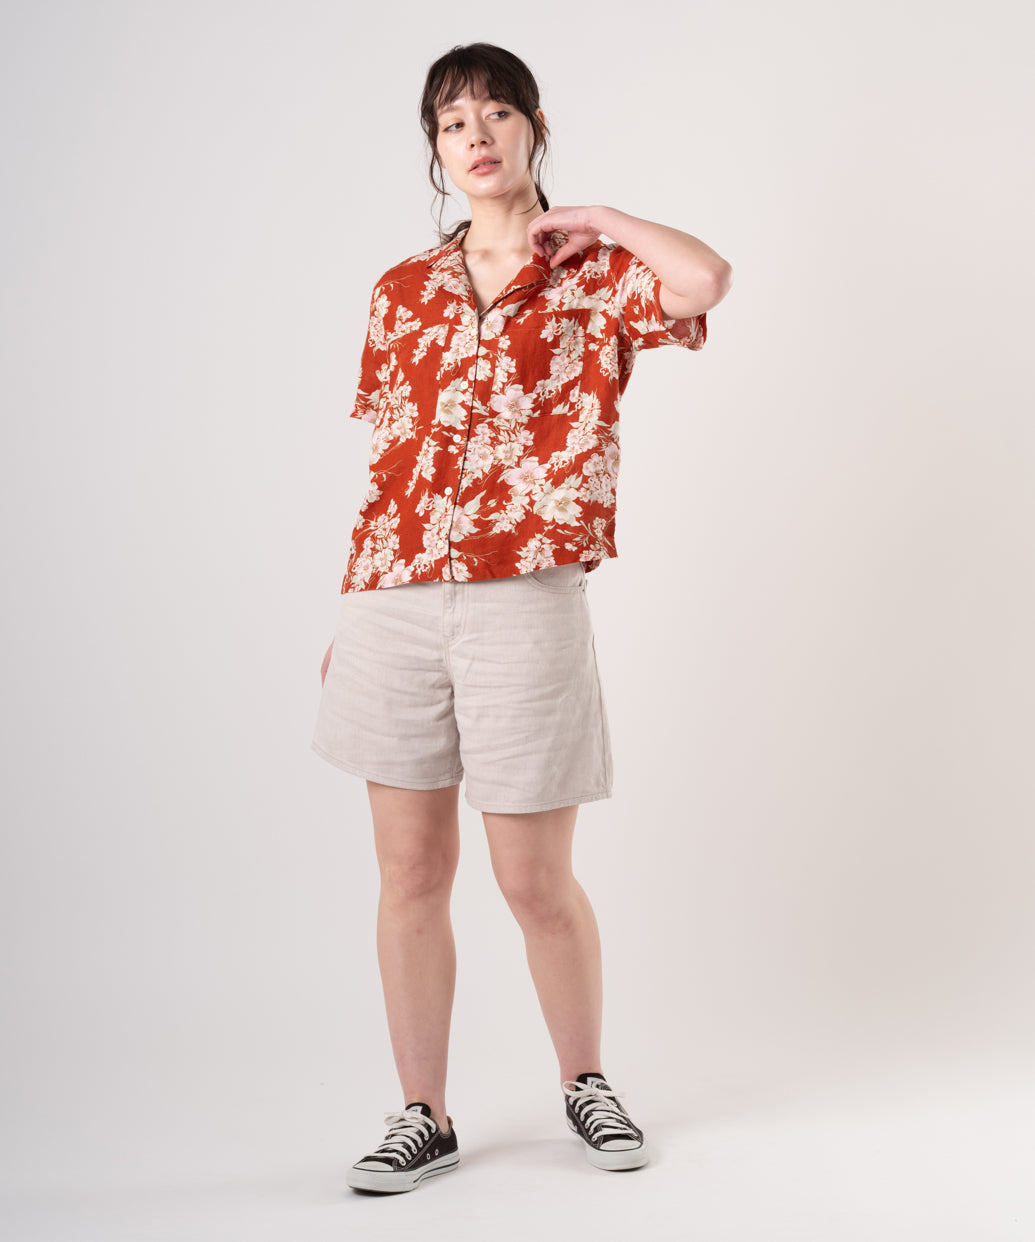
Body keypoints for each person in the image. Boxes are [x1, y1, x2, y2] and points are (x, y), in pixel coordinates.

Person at [312, 42, 733, 1194]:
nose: (477, 135)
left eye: (497, 113)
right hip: (394, 601)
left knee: (533, 880)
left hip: (525, 597)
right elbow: (392, 462)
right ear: (436, 150)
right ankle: (424, 1114)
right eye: (454, 123)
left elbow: (705, 281)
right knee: (409, 873)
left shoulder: (596, 274)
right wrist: (355, 611)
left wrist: (597, 218)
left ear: (533, 126)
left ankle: (586, 1081)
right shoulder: (402, 290)